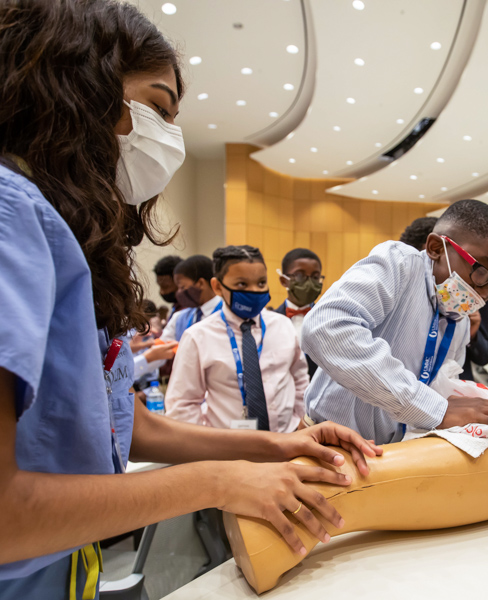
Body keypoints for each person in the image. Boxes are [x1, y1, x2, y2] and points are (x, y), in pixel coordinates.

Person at [0, 3, 380, 598]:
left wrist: (275, 444)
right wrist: (219, 482)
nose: (167, 140)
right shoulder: (10, 216)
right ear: (77, 85)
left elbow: (125, 428)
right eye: (155, 107)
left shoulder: (58, 235)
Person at [302, 199, 488, 444]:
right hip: (329, 442)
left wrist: (455, 403)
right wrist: (434, 408)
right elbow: (326, 327)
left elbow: (440, 386)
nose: (485, 294)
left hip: (397, 452)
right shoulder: (400, 264)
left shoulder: (460, 317)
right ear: (435, 247)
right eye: (481, 273)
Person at [166, 245, 308, 431]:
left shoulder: (282, 326)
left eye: (261, 283)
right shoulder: (198, 336)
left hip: (287, 438)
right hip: (227, 450)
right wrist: (206, 446)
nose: (254, 291)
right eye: (242, 284)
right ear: (217, 287)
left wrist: (300, 420)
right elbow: (182, 404)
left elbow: (300, 379)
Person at [398, 216, 488, 383]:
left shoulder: (473, 292)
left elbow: (485, 356)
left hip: (454, 387)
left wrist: (473, 335)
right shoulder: (400, 288)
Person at [275, 248, 325, 379]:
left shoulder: (329, 320)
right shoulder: (271, 322)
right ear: (283, 280)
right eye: (299, 275)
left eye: (315, 277)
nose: (309, 283)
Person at [160, 254, 222, 343]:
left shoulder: (228, 314)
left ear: (200, 283)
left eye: (182, 287)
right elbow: (162, 347)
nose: (178, 293)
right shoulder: (179, 318)